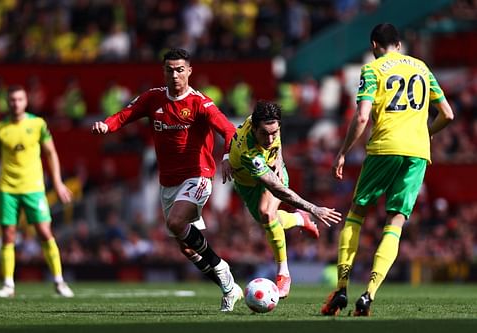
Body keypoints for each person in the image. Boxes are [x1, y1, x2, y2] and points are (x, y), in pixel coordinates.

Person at [91, 48, 243, 312]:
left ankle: (224, 271)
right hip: (168, 183)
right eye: (170, 70)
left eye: (180, 69)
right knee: (188, 249)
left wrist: (228, 156)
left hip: (198, 175)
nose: (175, 75)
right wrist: (107, 125)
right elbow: (125, 115)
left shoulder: (200, 103)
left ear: (189, 71)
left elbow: (229, 130)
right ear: (164, 72)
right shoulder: (153, 98)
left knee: (175, 222)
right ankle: (228, 287)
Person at [321, 23, 454, 316]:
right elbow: (447, 114)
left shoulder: (373, 69)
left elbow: (362, 117)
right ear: (399, 43)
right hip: (418, 152)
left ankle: (341, 288)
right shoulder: (422, 68)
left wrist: (342, 153)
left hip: (385, 147)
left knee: (356, 214)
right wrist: (428, 133)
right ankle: (369, 295)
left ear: (373, 45)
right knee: (395, 222)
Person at [226, 100, 342, 298]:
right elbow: (277, 190)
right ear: (253, 128)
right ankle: (299, 218)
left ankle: (283, 274)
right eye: (264, 133)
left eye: (274, 132)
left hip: (272, 171)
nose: (270, 139)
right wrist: (314, 209)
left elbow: (277, 178)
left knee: (266, 213)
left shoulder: (264, 124)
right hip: (247, 182)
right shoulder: (249, 153)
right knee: (269, 220)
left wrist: (278, 159)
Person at [0, 85, 74, 298]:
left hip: (33, 188)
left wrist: (58, 183)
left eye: (19, 99)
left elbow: (51, 153)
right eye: (12, 100)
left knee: (44, 232)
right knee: (8, 234)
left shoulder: (37, 124)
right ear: (8, 102)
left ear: (26, 101)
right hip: (7, 188)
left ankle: (59, 281)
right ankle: (8, 284)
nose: (16, 103)